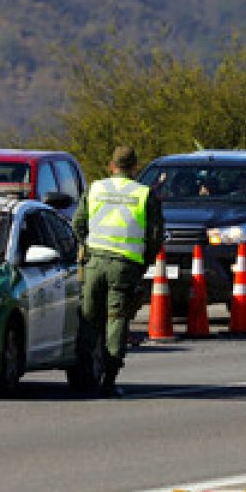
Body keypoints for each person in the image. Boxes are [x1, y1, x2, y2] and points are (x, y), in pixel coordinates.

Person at [73, 145, 163, 397]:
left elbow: (77, 224)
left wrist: (87, 247)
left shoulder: (96, 188)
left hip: (94, 263)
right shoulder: (144, 194)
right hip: (125, 266)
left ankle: (83, 377)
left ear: (111, 166)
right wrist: (143, 263)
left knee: (89, 318)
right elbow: (155, 237)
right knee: (116, 320)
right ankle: (109, 380)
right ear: (135, 168)